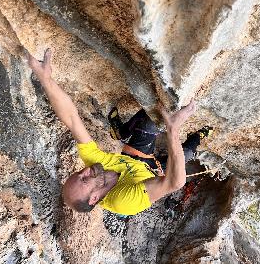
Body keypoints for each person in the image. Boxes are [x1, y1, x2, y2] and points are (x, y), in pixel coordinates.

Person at [28, 49, 198, 216]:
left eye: (80, 173)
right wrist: (173, 131)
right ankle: (197, 136)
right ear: (94, 198)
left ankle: (125, 133)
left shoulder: (95, 166)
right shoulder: (123, 201)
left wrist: (46, 79)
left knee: (153, 118)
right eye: (85, 179)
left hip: (134, 159)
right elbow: (175, 182)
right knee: (190, 147)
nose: (86, 170)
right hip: (153, 173)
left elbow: (72, 119)